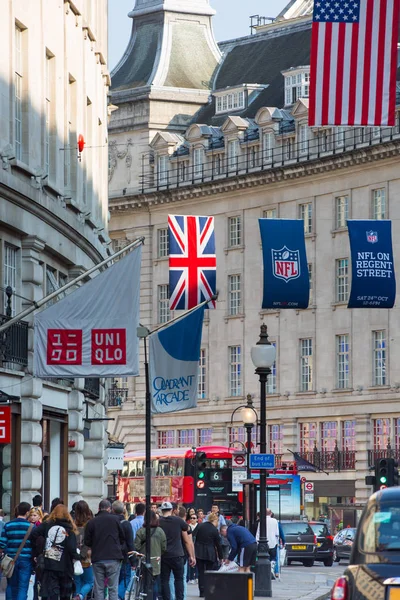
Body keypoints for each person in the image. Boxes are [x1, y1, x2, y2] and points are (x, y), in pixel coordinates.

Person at [30, 504, 79, 600]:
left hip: (50, 562)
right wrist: (79, 557)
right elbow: (71, 548)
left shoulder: (47, 525)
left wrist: (40, 548)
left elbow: (34, 534)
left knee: (51, 590)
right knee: (65, 592)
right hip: (65, 564)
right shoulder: (69, 528)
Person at [84, 499, 125, 600]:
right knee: (113, 588)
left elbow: (87, 542)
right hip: (113, 557)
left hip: (98, 557)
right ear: (109, 509)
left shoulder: (92, 522)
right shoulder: (116, 520)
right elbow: (122, 538)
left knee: (99, 588)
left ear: (99, 508)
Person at [158, 501, 195, 600]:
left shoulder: (159, 522)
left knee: (164, 580)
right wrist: (191, 555)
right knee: (179, 579)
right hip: (177, 555)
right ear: (171, 510)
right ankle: (179, 598)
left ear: (162, 510)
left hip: (164, 555)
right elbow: (187, 533)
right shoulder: (178, 520)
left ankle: (167, 598)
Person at [0, 502, 32, 600]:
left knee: (11, 586)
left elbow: (2, 543)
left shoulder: (8, 525)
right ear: (27, 512)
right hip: (26, 559)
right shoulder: (31, 527)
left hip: (11, 559)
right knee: (22, 587)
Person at [135, 510, 167, 600]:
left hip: (144, 560)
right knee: (155, 582)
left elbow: (136, 546)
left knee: (144, 583)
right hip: (156, 560)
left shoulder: (140, 531)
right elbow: (164, 547)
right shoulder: (160, 531)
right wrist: (159, 554)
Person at [194, 514, 222, 598]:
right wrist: (221, 557)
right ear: (215, 520)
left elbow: (192, 535)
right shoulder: (214, 530)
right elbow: (218, 544)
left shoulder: (200, 526)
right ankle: (208, 590)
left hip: (199, 551)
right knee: (209, 572)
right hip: (210, 553)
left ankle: (201, 591)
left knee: (201, 572)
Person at [111, 500, 134, 600]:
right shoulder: (126, 524)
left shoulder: (110, 522)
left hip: (111, 555)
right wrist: (133, 560)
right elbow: (130, 543)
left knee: (116, 579)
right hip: (124, 555)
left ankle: (118, 596)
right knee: (125, 578)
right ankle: (118, 596)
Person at [73, 500, 94, 600]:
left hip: (75, 556)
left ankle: (77, 595)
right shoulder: (90, 524)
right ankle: (80, 596)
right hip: (87, 557)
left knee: (77, 581)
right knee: (89, 582)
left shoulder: (73, 524)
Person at [187, 514, 198, 584]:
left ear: (197, 519)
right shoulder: (188, 526)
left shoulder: (199, 526)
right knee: (190, 562)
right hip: (190, 545)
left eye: (194, 518)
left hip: (197, 546)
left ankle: (196, 576)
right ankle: (191, 577)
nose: (192, 519)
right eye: (191, 518)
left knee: (197, 562)